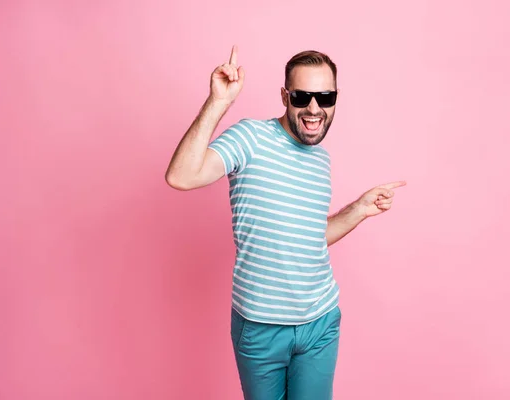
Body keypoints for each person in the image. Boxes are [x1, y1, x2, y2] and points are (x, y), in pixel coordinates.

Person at [165, 45, 406, 400]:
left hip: (320, 321)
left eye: (324, 97)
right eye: (301, 96)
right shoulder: (250, 138)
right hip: (261, 326)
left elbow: (310, 238)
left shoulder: (321, 160)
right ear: (284, 96)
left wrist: (357, 209)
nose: (314, 108)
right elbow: (181, 176)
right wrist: (219, 102)